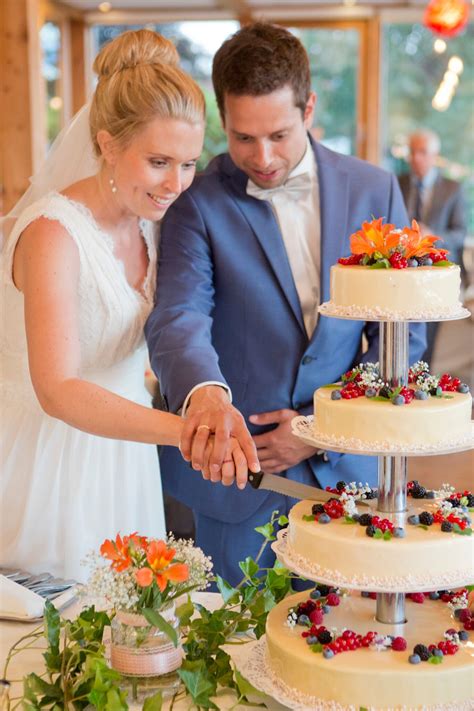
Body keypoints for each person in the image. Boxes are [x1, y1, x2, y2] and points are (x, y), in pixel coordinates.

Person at [146, 22, 426, 586]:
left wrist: (324, 424)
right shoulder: (194, 203)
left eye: (278, 134)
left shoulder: (375, 189)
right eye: (242, 138)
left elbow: (404, 337)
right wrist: (205, 401)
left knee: (341, 648)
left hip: (348, 472)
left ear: (310, 108)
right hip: (237, 477)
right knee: (234, 652)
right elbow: (180, 318)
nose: (263, 157)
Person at [0, 29, 256, 583]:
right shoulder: (52, 233)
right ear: (108, 144)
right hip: (50, 458)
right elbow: (58, 389)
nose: (176, 184)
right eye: (159, 161)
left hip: (123, 456)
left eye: (188, 164)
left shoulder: (154, 223)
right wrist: (184, 432)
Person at [398, 129, 468, 364]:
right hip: (403, 273)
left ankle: (421, 377)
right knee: (401, 332)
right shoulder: (398, 183)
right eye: (412, 151)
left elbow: (460, 233)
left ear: (435, 155)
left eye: (423, 152)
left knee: (427, 335)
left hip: (435, 273)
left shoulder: (452, 189)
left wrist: (433, 237)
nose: (416, 157)